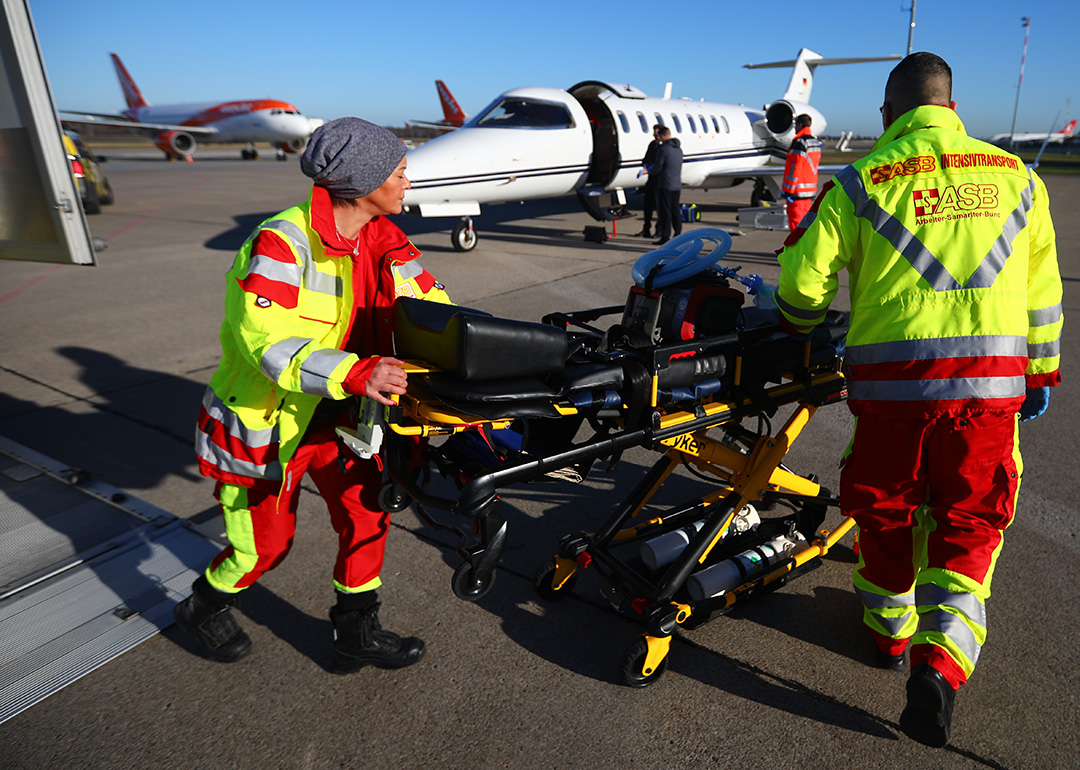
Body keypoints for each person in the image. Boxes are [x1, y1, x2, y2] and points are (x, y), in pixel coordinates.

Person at [774, 53, 1062, 748]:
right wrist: (1041, 376)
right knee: (968, 526)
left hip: (891, 400)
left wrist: (799, 324)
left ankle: (888, 633)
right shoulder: (1019, 178)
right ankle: (940, 666)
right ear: (953, 108)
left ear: (888, 115)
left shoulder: (865, 178)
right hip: (989, 397)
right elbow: (1043, 295)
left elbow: (802, 285)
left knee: (885, 513)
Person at [177, 117, 452, 674]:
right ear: (362, 180)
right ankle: (201, 605)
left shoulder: (386, 238)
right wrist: (355, 373)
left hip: (343, 418)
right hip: (270, 423)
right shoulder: (282, 241)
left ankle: (356, 632)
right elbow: (267, 343)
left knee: (367, 515)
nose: (407, 182)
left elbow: (431, 307)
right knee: (262, 550)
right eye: (400, 172)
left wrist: (486, 355)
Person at [781, 114, 822, 232]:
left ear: (800, 125)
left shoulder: (800, 143)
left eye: (795, 125)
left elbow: (795, 167)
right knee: (806, 225)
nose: (794, 128)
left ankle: (799, 250)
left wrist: (788, 191)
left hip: (797, 192)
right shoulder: (815, 142)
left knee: (796, 226)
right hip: (809, 191)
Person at [651, 126, 683, 245]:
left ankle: (665, 236)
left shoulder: (663, 150)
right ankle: (678, 233)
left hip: (665, 184)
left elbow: (657, 168)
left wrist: (648, 171)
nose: (657, 138)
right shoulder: (678, 149)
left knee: (665, 212)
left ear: (663, 136)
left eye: (658, 136)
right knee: (675, 210)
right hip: (676, 184)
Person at [635, 124, 662, 238]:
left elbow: (661, 165)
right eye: (654, 134)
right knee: (648, 206)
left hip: (660, 180)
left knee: (659, 207)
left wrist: (650, 169)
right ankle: (646, 229)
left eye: (656, 134)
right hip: (651, 179)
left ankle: (659, 230)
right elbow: (646, 158)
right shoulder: (652, 145)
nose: (654, 136)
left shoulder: (664, 148)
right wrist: (646, 165)